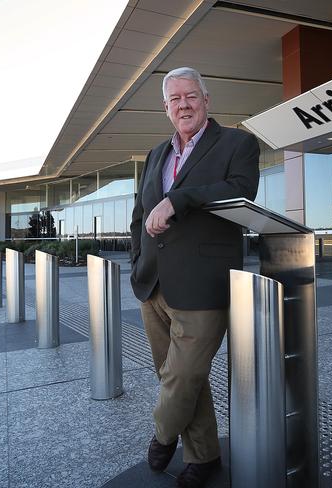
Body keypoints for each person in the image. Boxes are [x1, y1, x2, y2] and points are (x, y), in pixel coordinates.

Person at [130, 66, 260, 488]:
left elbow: (242, 190)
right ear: (166, 109)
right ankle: (204, 457)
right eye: (175, 99)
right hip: (153, 284)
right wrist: (136, 262)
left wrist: (178, 200)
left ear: (207, 100)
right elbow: (138, 216)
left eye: (191, 96)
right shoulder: (156, 155)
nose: (183, 105)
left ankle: (163, 434)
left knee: (181, 377)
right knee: (183, 380)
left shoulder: (238, 143)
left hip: (204, 284)